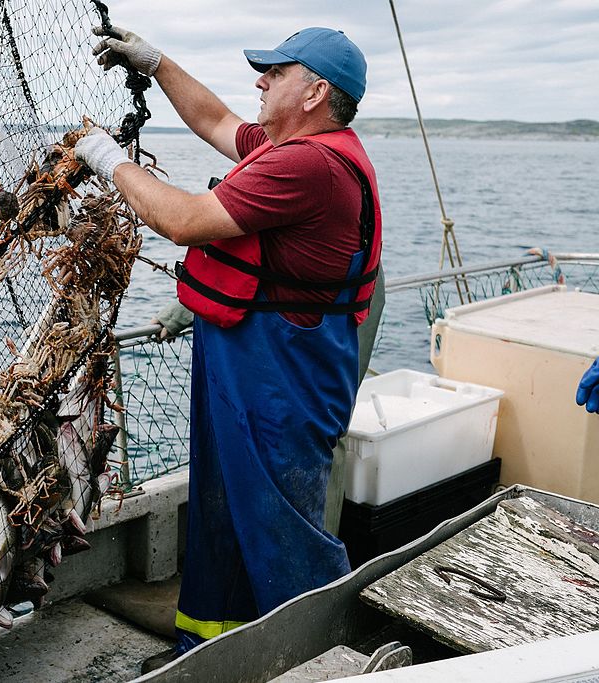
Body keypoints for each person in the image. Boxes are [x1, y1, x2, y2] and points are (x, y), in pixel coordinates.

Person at [75, 26, 383, 672]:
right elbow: (215, 120)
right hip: (243, 368)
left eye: (277, 72)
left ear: (315, 93)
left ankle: (321, 662)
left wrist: (108, 160)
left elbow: (183, 220)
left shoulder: (310, 167)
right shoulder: (285, 147)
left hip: (282, 384)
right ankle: (212, 650)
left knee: (282, 535)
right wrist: (156, 64)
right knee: (223, 522)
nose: (260, 81)